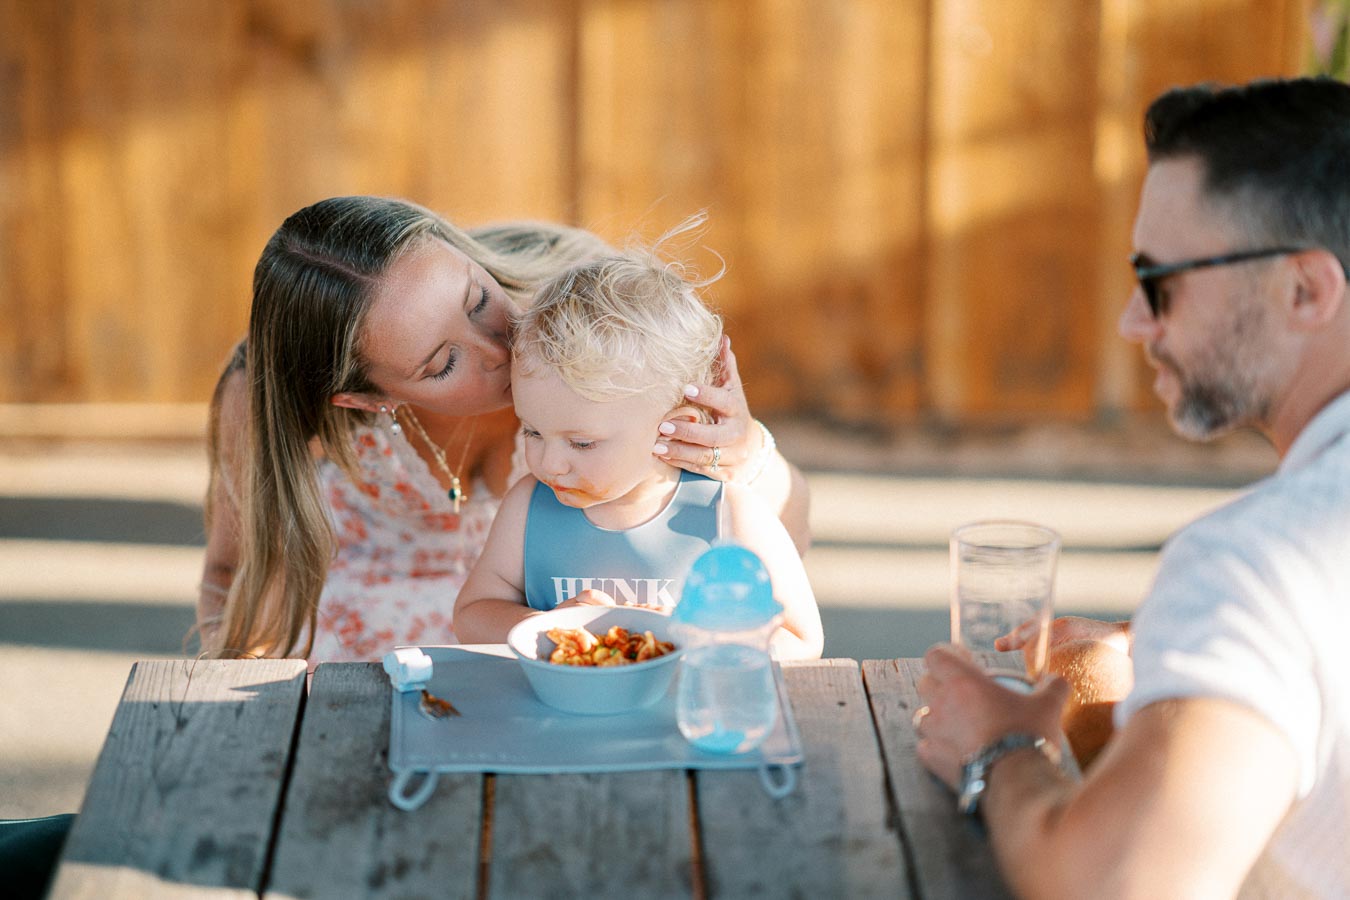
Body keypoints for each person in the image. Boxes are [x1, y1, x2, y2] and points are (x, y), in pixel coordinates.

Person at [914, 77, 1350, 898]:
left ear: (1307, 289)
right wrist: (1169, 651)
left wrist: (1002, 750)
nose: (1132, 321)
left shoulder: (1255, 563)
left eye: (1162, 281)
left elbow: (1121, 886)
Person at [195, 197, 811, 664]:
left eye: (475, 298)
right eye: (442, 364)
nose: (499, 345)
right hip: (362, 657)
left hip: (576, 656)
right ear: (364, 397)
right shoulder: (263, 397)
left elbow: (781, 545)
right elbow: (232, 581)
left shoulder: (589, 322)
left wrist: (743, 450)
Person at [454, 226, 824, 659]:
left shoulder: (726, 515)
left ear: (673, 427)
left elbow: (801, 641)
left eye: (582, 443)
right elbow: (471, 614)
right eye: (532, 431)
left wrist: (696, 634)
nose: (549, 463)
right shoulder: (529, 507)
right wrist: (544, 626)